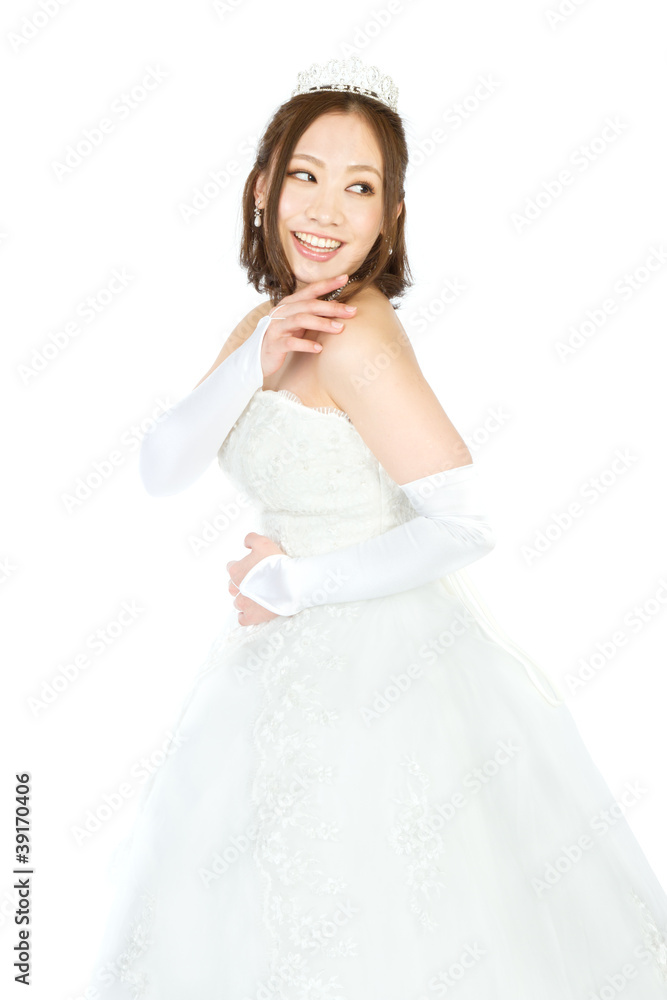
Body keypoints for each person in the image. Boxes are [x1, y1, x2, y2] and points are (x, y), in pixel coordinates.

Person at [87, 56, 667, 999]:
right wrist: (252, 357)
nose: (326, 210)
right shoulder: (269, 323)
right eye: (305, 175)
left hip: (381, 660)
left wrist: (293, 582)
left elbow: (464, 523)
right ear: (262, 186)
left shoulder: (355, 331)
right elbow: (161, 469)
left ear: (390, 214)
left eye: (360, 188)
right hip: (276, 657)